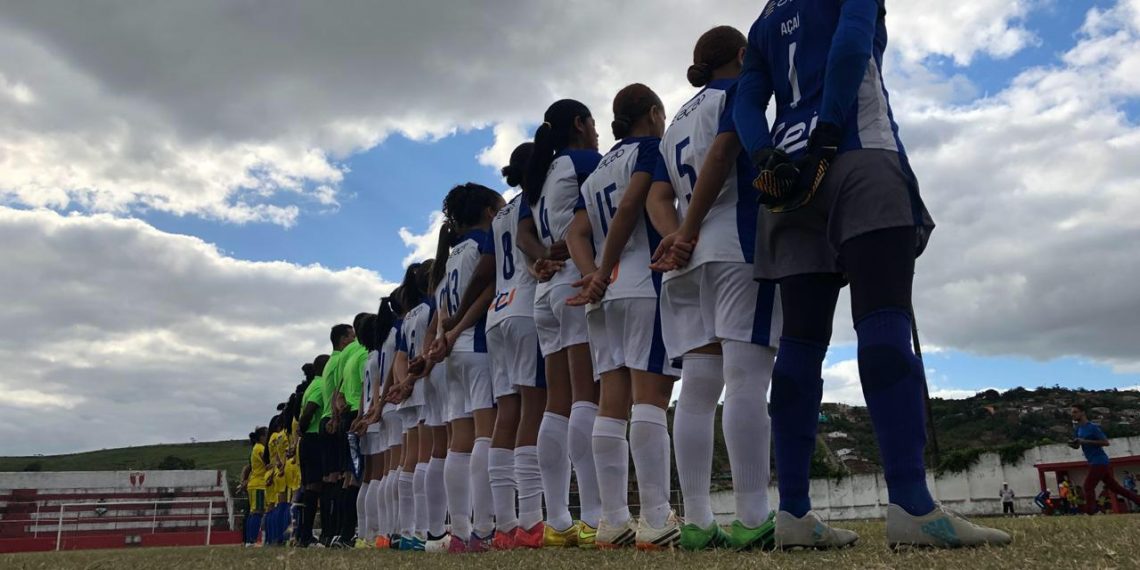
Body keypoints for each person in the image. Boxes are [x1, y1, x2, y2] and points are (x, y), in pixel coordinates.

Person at [729, 0, 1008, 549]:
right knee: (883, 322)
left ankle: (793, 513)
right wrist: (830, 128)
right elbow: (851, 46)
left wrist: (765, 158)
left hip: (785, 179)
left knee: (799, 346)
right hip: (855, 151)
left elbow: (745, 102)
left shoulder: (762, 20)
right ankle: (911, 502)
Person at [649, 25, 782, 551]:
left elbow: (659, 195)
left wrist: (676, 236)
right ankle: (753, 515)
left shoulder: (674, 121)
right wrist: (690, 230)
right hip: (733, 243)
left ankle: (700, 522)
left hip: (686, 261)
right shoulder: (737, 92)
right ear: (744, 56)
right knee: (748, 380)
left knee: (698, 393)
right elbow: (724, 154)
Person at [566, 83, 681, 550]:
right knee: (651, 397)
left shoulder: (595, 172)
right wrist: (601, 275)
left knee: (611, 403)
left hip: (606, 294)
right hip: (641, 283)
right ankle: (655, 518)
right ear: (653, 114)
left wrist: (593, 274)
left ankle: (612, 519)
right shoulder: (651, 148)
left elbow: (576, 232)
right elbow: (634, 206)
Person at [441, 143, 550, 550]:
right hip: (513, 315)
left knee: (499, 422)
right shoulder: (521, 207)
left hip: (493, 323)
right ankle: (528, 520)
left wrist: (448, 328)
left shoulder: (456, 254)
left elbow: (484, 276)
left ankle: (500, 525)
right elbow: (494, 271)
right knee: (534, 414)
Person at [523, 99, 604, 548]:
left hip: (546, 292)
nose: (597, 132)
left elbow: (528, 236)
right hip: (575, 280)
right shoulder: (583, 160)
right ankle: (594, 515)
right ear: (579, 124)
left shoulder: (541, 176)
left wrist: (540, 257)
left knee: (557, 403)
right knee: (585, 397)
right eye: (592, 124)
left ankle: (557, 520)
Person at [423, 183, 505, 553]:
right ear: (490, 211)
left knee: (459, 443)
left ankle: (460, 530)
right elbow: (486, 293)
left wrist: (443, 338)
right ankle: (486, 528)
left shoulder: (447, 262)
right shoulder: (482, 246)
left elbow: (440, 315)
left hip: (451, 357)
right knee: (486, 435)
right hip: (475, 344)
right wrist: (455, 332)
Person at [318, 323, 355, 546]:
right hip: (337, 417)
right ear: (343, 340)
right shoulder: (343, 359)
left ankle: (331, 532)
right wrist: (335, 416)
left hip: (330, 418)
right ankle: (338, 531)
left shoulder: (332, 361)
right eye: (352, 336)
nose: (355, 340)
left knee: (335, 479)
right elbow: (338, 392)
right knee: (342, 477)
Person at [1070, 403, 1140, 514]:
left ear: (1082, 412)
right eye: (1072, 412)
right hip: (1093, 461)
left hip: (1100, 461)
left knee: (1088, 486)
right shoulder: (1079, 429)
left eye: (1075, 412)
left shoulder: (1092, 427)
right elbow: (1079, 445)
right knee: (1116, 488)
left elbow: (1105, 442)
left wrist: (1085, 441)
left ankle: (1090, 512)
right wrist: (1075, 444)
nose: (1072, 414)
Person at [297, 354, 329, 547]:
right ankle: (307, 535)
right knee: (316, 487)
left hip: (307, 441)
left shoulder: (311, 385)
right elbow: (309, 410)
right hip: (314, 438)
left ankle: (303, 533)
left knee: (309, 488)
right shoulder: (319, 386)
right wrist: (302, 425)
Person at [244, 427, 270, 546]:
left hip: (253, 483)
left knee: (253, 512)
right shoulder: (260, 448)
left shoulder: (256, 448)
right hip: (259, 484)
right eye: (267, 435)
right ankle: (252, 540)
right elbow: (267, 463)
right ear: (261, 437)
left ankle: (249, 539)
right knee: (258, 512)